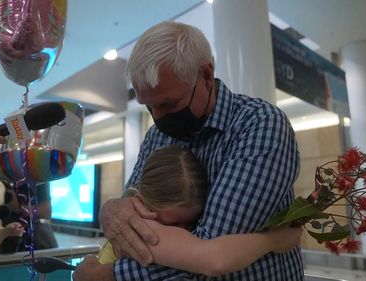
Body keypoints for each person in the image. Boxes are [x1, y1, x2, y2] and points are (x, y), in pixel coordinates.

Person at [73, 21, 303, 281]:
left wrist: (107, 276)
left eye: (168, 104)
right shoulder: (157, 136)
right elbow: (132, 226)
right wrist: (110, 209)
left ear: (206, 74)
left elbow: (207, 258)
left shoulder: (259, 125)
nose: (158, 118)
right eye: (149, 107)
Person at [95, 145, 301, 276]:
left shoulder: (144, 215)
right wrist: (273, 240)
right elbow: (216, 260)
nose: (185, 232)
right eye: (174, 224)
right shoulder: (143, 227)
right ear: (142, 203)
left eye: (191, 223)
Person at [0, 181, 58, 254]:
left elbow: (46, 211)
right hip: (2, 239)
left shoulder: (36, 175)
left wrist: (19, 207)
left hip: (32, 239)